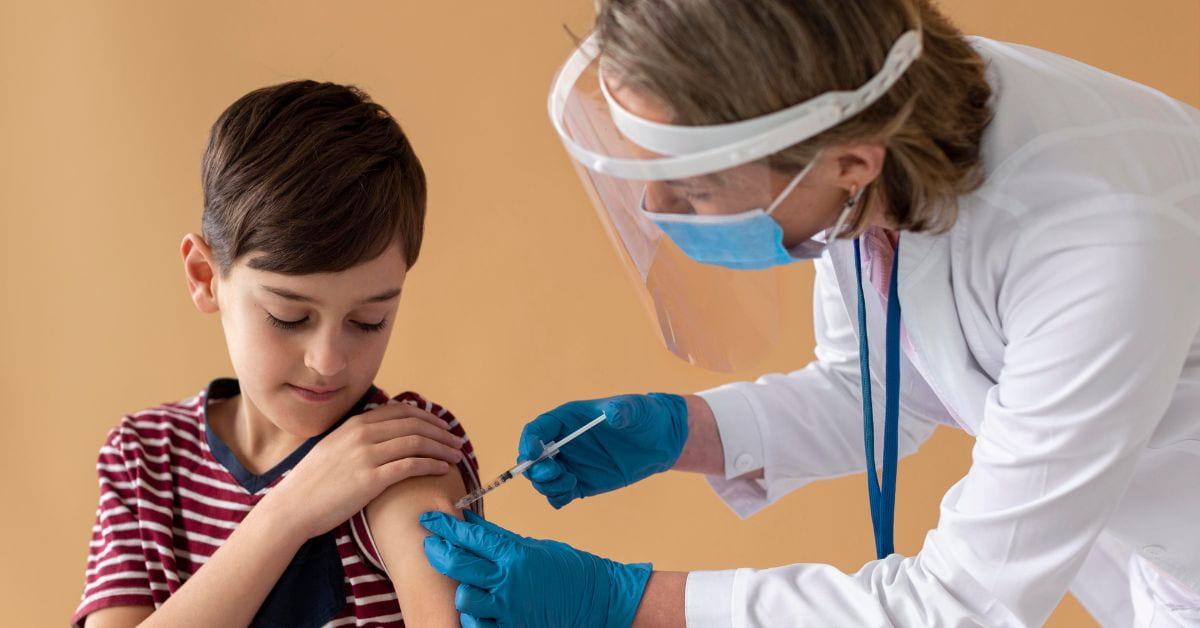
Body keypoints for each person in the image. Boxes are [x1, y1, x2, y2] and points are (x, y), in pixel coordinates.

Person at [419, 1, 1200, 625]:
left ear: (851, 161)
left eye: (692, 188)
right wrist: (681, 431)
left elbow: (957, 608)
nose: (655, 207)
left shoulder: (1097, 244)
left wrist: (625, 604)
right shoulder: (869, 134)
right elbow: (876, 389)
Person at [74, 80, 480, 627]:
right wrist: (289, 513)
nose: (328, 361)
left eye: (369, 321)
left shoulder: (400, 450)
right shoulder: (145, 458)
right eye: (289, 317)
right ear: (204, 277)